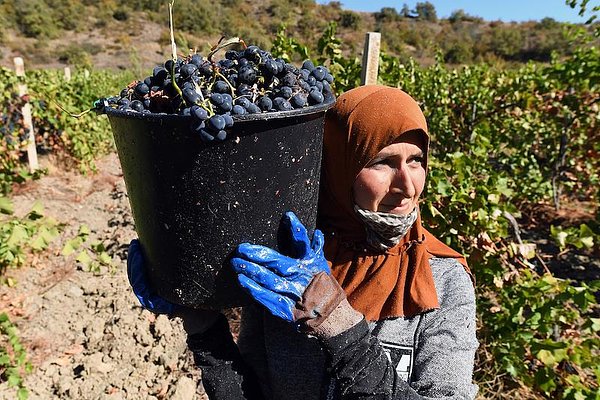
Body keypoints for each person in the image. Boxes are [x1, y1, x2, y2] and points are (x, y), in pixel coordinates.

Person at [127, 85, 479, 399]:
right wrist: (203, 328)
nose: (407, 185)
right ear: (338, 166)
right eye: (383, 163)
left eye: (416, 161)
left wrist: (342, 328)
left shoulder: (442, 283)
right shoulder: (291, 266)